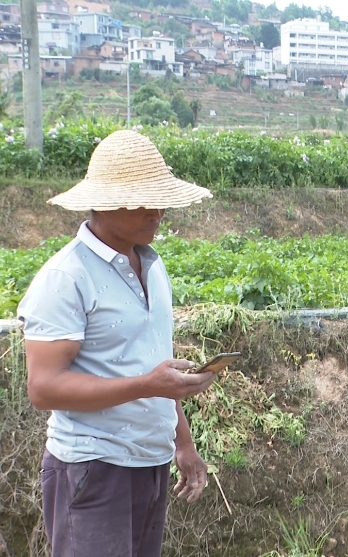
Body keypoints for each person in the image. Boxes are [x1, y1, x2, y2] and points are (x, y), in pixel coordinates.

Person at [18, 129, 218, 557]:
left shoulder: (151, 265)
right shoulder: (65, 278)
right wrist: (146, 385)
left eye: (160, 198)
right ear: (105, 203)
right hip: (91, 469)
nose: (158, 211)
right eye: (143, 201)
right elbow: (44, 388)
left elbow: (153, 365)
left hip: (149, 463)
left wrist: (182, 442)